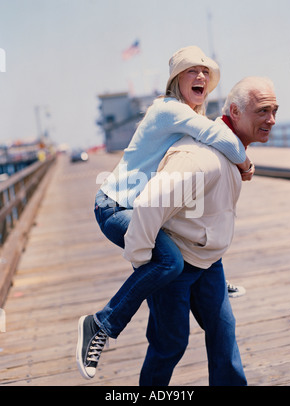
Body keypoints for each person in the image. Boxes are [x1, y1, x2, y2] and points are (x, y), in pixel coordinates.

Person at [76, 46, 253, 380]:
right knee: (169, 262)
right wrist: (244, 160)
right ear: (176, 79)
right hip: (117, 206)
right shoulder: (166, 109)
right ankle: (101, 323)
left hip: (156, 215)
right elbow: (218, 135)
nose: (200, 77)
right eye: (191, 71)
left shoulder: (192, 118)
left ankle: (207, 276)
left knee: (214, 317)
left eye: (204, 72)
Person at [123, 76, 278, 386]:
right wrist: (144, 266)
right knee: (170, 345)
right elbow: (150, 204)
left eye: (274, 110)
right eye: (262, 111)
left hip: (208, 260)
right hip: (175, 264)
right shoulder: (203, 156)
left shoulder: (229, 149)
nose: (271, 120)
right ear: (235, 111)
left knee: (223, 331)